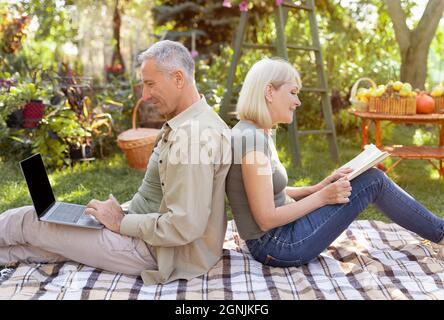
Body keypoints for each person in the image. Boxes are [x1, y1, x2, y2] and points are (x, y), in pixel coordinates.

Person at [0, 40, 231, 284]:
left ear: (178, 79)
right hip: (148, 234)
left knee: (30, 221)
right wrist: (117, 213)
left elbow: (184, 226)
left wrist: (121, 222)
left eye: (150, 84)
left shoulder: (192, 138)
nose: (145, 95)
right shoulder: (193, 122)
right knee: (38, 245)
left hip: (157, 251)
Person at [225, 57, 444, 268]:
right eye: (293, 92)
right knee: (373, 181)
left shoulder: (254, 132)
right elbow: (266, 218)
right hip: (279, 245)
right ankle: (441, 233)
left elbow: (270, 192)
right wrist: (322, 197)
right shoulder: (252, 141)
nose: (297, 101)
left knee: (369, 178)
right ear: (269, 92)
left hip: (280, 236)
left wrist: (318, 187)